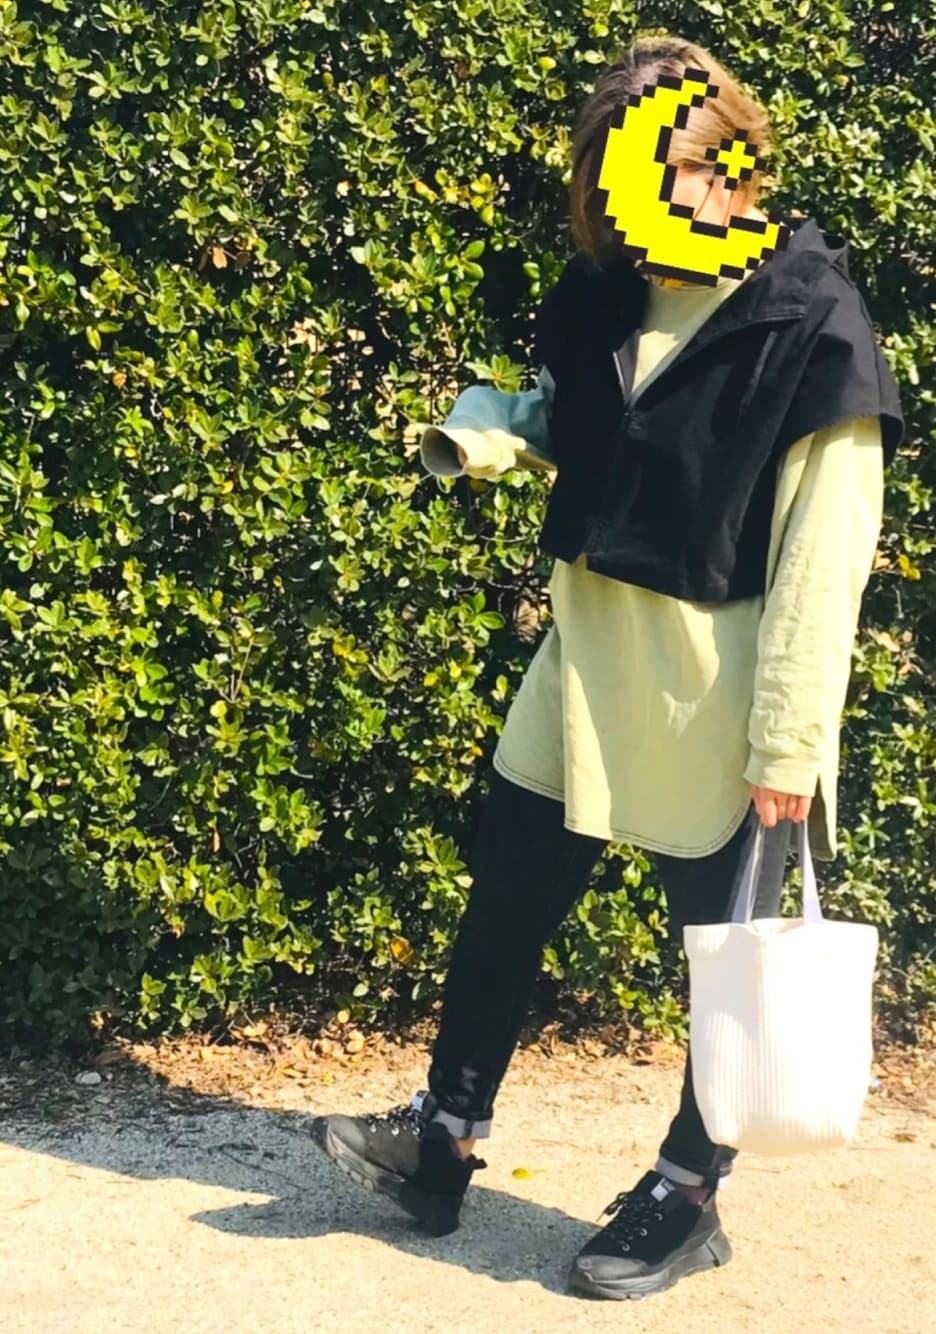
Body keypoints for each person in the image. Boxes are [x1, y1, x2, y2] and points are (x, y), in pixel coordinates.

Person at [309, 34, 904, 1302]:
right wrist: (484, 431)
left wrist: (787, 742)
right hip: (582, 657)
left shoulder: (814, 321)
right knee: (504, 898)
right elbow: (570, 412)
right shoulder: (604, 288)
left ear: (732, 164)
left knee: (722, 966)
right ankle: (441, 1136)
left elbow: (825, 552)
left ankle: (687, 1189)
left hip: (718, 688)